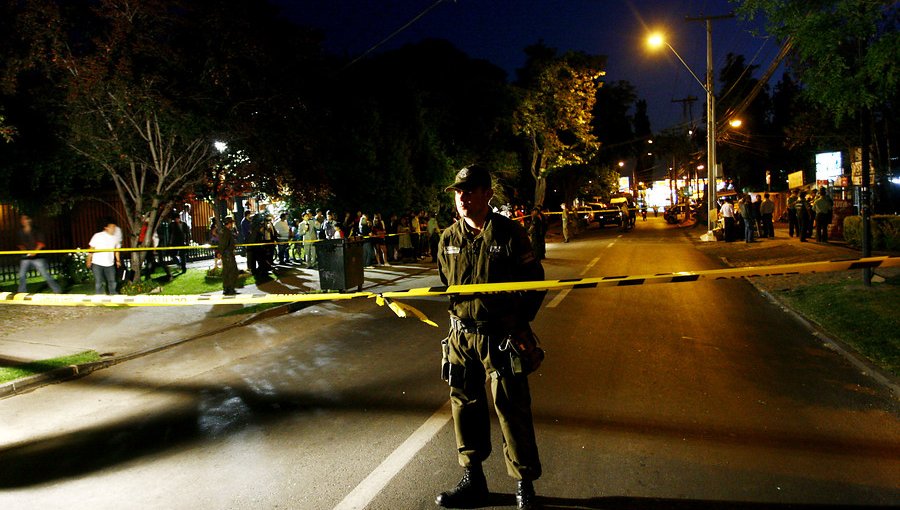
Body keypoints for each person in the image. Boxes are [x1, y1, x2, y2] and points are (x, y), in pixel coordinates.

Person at [436, 164, 546, 510]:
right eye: (458, 192)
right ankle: (474, 480)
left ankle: (523, 484)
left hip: (501, 336)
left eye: (470, 191)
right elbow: (445, 283)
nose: (463, 198)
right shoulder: (448, 239)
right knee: (464, 407)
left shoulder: (509, 234)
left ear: (488, 194)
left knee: (511, 407)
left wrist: (517, 323)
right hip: (461, 337)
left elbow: (534, 282)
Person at [15, 214, 62, 294]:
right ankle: (21, 292)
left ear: (29, 220)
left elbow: (41, 243)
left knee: (45, 274)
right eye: (21, 219)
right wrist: (25, 251)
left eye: (24, 219)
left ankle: (57, 290)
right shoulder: (20, 232)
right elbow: (20, 244)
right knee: (22, 274)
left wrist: (35, 252)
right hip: (25, 257)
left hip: (38, 257)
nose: (22, 221)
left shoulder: (36, 230)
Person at [87, 219, 122, 295]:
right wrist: (89, 260)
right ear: (106, 228)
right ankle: (100, 295)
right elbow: (91, 249)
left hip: (110, 263)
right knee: (99, 281)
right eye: (112, 227)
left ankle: (113, 293)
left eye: (114, 227)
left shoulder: (115, 238)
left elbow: (117, 250)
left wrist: (118, 260)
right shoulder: (97, 236)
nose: (114, 229)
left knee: (112, 280)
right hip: (97, 263)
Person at [219, 216, 239, 295]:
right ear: (229, 223)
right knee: (232, 271)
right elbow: (224, 244)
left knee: (227, 272)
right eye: (232, 223)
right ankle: (230, 288)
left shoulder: (224, 231)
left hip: (226, 254)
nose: (232, 224)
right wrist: (221, 252)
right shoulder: (226, 232)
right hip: (228, 255)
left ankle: (227, 288)